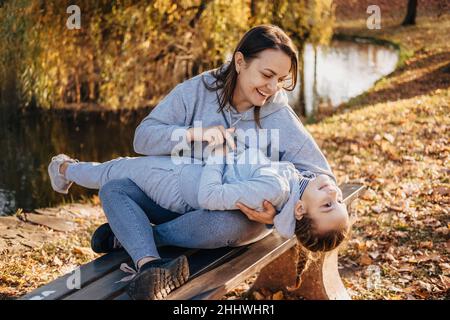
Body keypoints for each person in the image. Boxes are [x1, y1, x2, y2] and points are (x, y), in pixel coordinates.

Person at [57, 24, 339, 300]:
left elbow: (321, 176)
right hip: (174, 199)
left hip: (224, 218)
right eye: (267, 74)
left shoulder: (279, 116)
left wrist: (274, 218)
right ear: (240, 62)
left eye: (280, 79)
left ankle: (141, 237)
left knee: (227, 225)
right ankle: (150, 263)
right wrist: (194, 135)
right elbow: (142, 139)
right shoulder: (196, 92)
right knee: (114, 188)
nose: (272, 87)